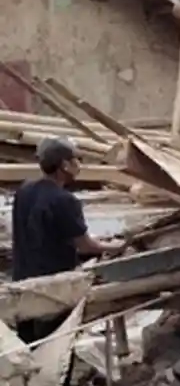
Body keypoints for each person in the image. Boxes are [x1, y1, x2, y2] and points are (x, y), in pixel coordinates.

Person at [12, 137, 124, 343]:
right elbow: (85, 245)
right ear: (65, 164)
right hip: (53, 289)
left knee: (27, 347)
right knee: (55, 344)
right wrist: (115, 246)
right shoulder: (64, 201)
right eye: (75, 159)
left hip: (22, 284)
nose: (78, 164)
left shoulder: (24, 190)